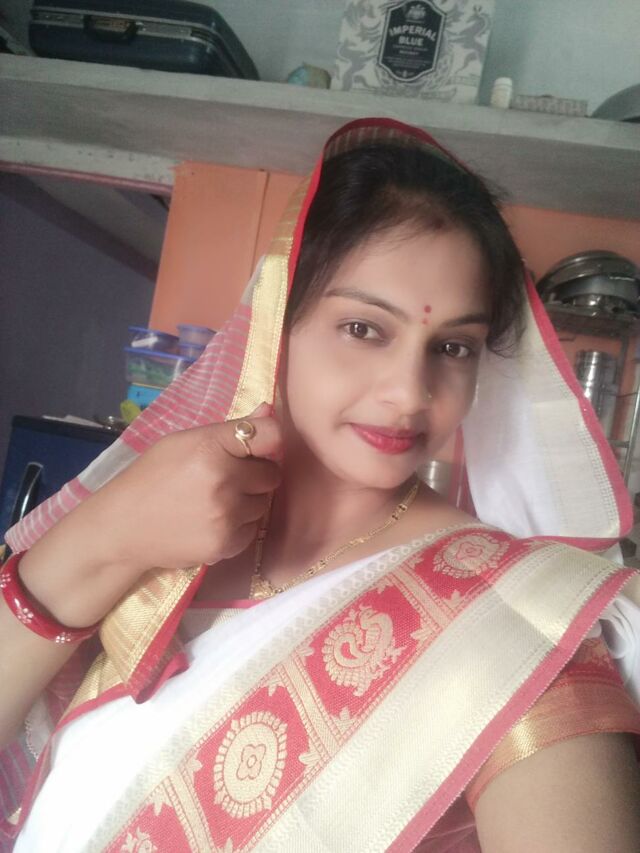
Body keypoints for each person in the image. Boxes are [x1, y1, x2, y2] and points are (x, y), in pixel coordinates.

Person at [1, 118, 640, 853]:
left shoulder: (509, 619)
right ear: (277, 324)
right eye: (364, 329)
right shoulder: (163, 516)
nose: (409, 393)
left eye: (452, 346)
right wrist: (106, 536)